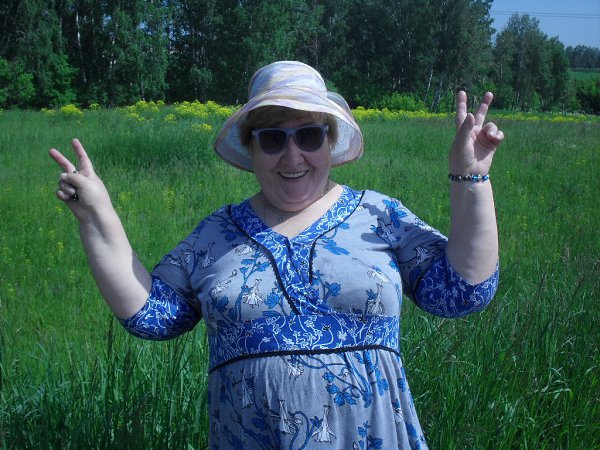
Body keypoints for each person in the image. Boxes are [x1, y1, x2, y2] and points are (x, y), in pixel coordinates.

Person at [50, 60, 504, 449]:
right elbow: (152, 316)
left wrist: (471, 178)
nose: (292, 155)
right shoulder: (216, 234)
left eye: (308, 136)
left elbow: (462, 293)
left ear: (329, 142)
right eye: (272, 139)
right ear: (251, 148)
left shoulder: (379, 215)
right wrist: (97, 216)